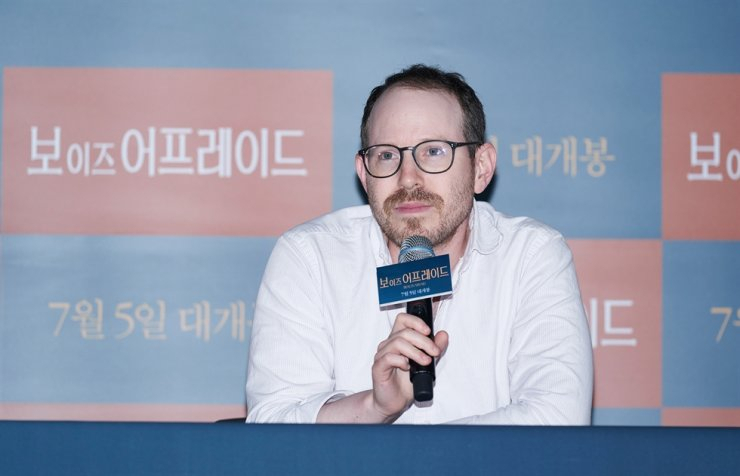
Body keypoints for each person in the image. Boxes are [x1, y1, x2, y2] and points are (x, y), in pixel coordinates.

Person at [246, 64, 593, 425]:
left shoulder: (531, 256)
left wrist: (408, 454)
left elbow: (558, 418)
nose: (408, 177)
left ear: (481, 167)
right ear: (364, 175)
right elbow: (273, 426)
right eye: (386, 155)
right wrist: (376, 407)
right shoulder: (310, 257)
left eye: (433, 151)